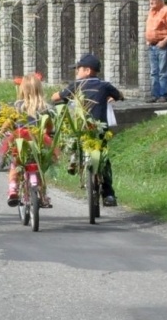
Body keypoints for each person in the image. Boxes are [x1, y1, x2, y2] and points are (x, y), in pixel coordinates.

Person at [51, 52, 123, 206]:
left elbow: (56, 97)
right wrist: (112, 97)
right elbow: (119, 95)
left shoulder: (77, 85)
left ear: (88, 70)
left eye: (78, 69)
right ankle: (109, 194)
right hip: (99, 131)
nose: (76, 72)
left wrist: (57, 95)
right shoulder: (105, 86)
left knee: (72, 139)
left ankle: (73, 159)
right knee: (103, 159)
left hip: (81, 129)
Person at [2, 74, 53, 208]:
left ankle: (13, 189)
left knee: (15, 165)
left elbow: (9, 121)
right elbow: (49, 125)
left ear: (22, 89)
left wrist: (1, 131)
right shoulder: (44, 107)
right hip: (38, 143)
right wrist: (48, 133)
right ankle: (42, 195)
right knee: (39, 169)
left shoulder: (18, 106)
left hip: (20, 144)